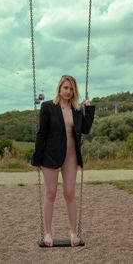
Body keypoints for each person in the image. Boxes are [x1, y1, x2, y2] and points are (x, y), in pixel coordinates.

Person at [31, 75, 95, 247]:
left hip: (71, 156)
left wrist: (88, 109)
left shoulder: (76, 109)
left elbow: (86, 130)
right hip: (50, 155)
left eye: (72, 89)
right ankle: (48, 233)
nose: (68, 91)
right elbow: (41, 134)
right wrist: (37, 158)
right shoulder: (47, 107)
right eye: (66, 88)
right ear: (59, 88)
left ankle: (74, 233)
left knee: (69, 193)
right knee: (51, 193)